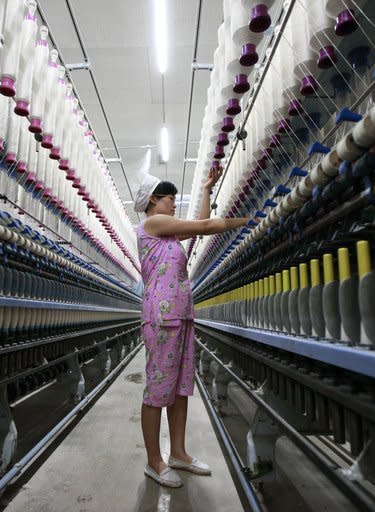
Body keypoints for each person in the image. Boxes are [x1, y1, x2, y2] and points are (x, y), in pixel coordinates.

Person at [134, 167, 250, 488]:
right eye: (170, 199)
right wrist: (249, 221)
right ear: (154, 200)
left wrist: (207, 190)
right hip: (163, 316)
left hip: (182, 315)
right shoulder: (153, 224)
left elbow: (197, 227)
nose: (174, 204)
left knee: (181, 387)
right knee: (158, 389)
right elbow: (206, 225)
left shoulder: (168, 231)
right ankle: (154, 462)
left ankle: (179, 453)